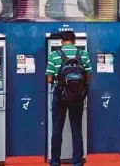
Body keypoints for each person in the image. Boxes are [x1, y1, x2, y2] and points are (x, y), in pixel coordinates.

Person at [46, 31, 92, 166]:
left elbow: (49, 79)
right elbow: (88, 77)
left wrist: (59, 81)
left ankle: (55, 161)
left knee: (57, 128)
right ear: (74, 41)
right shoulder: (83, 54)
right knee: (77, 128)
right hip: (78, 96)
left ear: (61, 41)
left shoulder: (54, 55)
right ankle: (77, 161)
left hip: (60, 95)